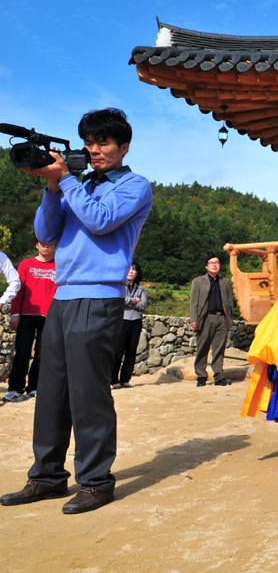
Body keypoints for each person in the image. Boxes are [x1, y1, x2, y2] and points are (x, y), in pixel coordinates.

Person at [1, 108, 152, 515]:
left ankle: (97, 481)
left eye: (103, 142)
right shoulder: (77, 185)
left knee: (89, 394)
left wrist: (66, 179)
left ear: (124, 146)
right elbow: (46, 235)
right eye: (89, 142)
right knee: (50, 393)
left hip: (99, 296)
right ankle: (47, 477)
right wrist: (53, 187)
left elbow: (101, 222)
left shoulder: (135, 186)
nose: (95, 149)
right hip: (62, 297)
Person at [3, 240, 57, 402]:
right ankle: (15, 388)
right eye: (42, 243)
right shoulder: (26, 264)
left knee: (42, 355)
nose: (46, 246)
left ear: (55, 247)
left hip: (49, 316)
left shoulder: (59, 266)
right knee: (22, 352)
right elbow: (18, 291)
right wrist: (14, 314)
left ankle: (34, 387)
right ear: (36, 245)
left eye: (50, 244)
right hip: (27, 314)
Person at [190, 254, 234, 387]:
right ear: (206, 266)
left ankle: (219, 377)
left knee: (219, 349)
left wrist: (229, 319)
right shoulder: (198, 281)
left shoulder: (225, 282)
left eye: (217, 262)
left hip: (222, 318)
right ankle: (201, 376)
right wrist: (194, 319)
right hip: (206, 318)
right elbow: (194, 302)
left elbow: (230, 302)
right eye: (211, 262)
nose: (215, 265)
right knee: (202, 347)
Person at [113, 262, 146, 389]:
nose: (131, 272)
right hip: (123, 320)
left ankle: (125, 380)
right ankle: (114, 379)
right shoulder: (120, 286)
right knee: (118, 351)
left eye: (134, 270)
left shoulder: (141, 288)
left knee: (131, 351)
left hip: (136, 321)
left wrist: (131, 303)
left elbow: (143, 305)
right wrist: (134, 301)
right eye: (129, 269)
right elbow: (121, 300)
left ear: (137, 273)